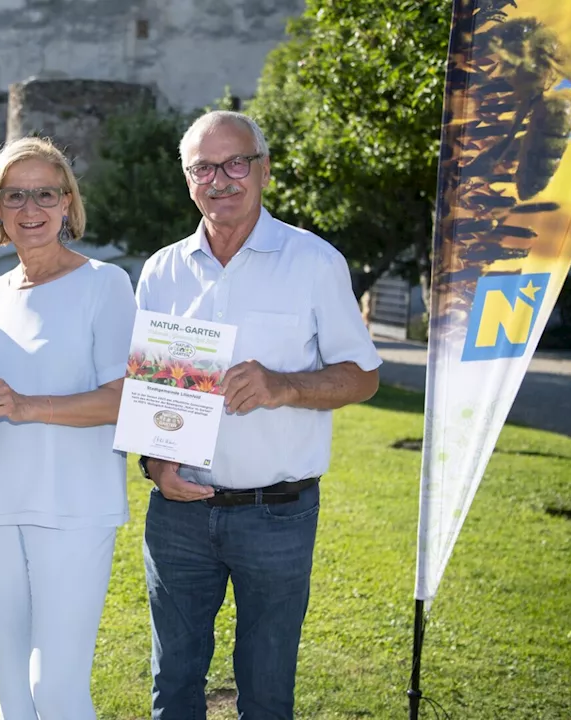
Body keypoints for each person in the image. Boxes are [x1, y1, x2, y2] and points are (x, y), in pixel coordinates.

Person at [135, 111, 382, 719]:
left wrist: (283, 386)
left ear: (264, 170)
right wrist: (154, 463)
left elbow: (364, 376)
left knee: (268, 693)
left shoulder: (314, 261)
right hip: (178, 516)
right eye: (204, 168)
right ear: (188, 179)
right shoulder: (162, 269)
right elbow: (152, 391)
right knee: (173, 686)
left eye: (235, 162)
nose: (221, 179)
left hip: (277, 512)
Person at [0, 136, 137, 719]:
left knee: (56, 691)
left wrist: (30, 404)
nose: (30, 208)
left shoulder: (105, 284)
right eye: (15, 195)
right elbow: (2, 393)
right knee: (13, 696)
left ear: (67, 203)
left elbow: (123, 400)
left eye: (45, 193)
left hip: (73, 507)